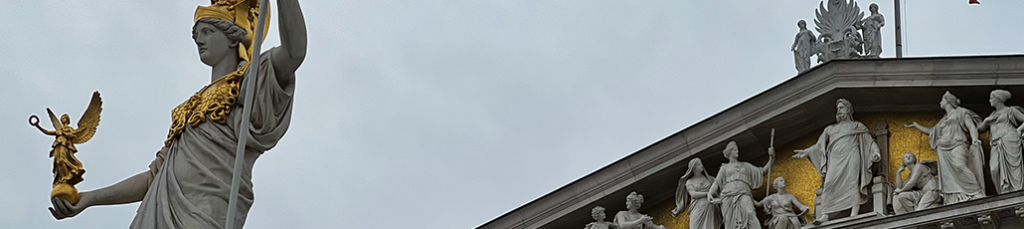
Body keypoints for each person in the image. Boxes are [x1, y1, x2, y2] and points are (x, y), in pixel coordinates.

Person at [47, 0, 307, 228]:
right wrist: (89, 198)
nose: (200, 40)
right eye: (197, 35)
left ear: (232, 37)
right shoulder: (188, 108)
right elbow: (153, 178)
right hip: (158, 213)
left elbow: (294, 52)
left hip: (205, 211)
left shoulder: (249, 83)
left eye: (207, 31)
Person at [793, 98, 880, 222]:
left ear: (848, 109)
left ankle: (854, 212)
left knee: (852, 182)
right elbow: (819, 146)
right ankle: (825, 214)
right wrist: (807, 151)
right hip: (835, 159)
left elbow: (869, 142)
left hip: (851, 156)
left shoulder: (857, 125)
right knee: (828, 184)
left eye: (841, 108)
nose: (838, 111)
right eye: (837, 108)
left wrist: (875, 152)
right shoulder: (830, 129)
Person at [906, 91, 987, 204]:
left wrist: (975, 140)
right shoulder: (943, 120)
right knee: (949, 176)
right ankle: (954, 198)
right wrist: (917, 126)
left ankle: (976, 192)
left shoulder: (961, 112)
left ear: (948, 101)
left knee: (960, 166)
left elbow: (971, 127)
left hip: (958, 143)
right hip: (943, 149)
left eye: (942, 100)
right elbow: (932, 132)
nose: (940, 102)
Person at [708, 141, 775, 229]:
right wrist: (709, 193)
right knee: (729, 220)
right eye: (735, 150)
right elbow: (717, 182)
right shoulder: (724, 168)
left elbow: (762, 171)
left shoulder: (745, 166)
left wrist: (772, 158)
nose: (737, 152)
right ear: (729, 152)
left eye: (737, 150)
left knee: (750, 212)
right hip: (728, 196)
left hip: (744, 193)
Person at [977, 89, 1024, 194]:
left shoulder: (1011, 111)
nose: (990, 100)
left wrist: (1018, 130)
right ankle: (1002, 193)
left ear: (998, 99)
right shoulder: (992, 114)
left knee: (1013, 168)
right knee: (994, 169)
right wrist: (986, 120)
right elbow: (980, 129)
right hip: (995, 144)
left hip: (1010, 141)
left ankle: (1016, 192)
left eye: (992, 98)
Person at [671, 158, 720, 229]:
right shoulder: (689, 182)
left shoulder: (708, 178)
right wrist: (708, 193)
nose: (702, 166)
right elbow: (693, 194)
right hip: (697, 208)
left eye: (701, 163)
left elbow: (719, 184)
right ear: (693, 168)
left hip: (709, 206)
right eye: (699, 164)